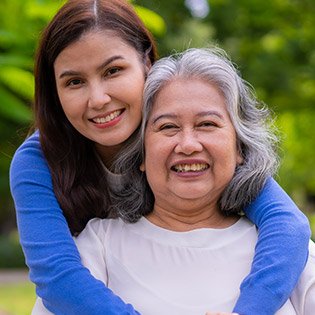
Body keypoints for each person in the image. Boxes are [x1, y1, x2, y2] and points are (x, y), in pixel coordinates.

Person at [9, 0, 310, 314]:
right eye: (74, 82)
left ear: (147, 66)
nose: (98, 99)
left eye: (113, 71)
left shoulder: (190, 143)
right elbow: (57, 277)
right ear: (54, 93)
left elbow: (287, 225)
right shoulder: (38, 161)